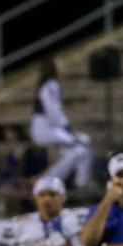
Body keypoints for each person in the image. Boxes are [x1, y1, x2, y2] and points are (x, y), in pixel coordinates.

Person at [30, 58, 93, 191]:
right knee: (83, 144)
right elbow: (53, 110)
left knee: (77, 150)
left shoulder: (45, 84)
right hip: (47, 129)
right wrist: (67, 128)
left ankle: (56, 179)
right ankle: (78, 183)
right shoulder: (51, 84)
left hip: (45, 127)